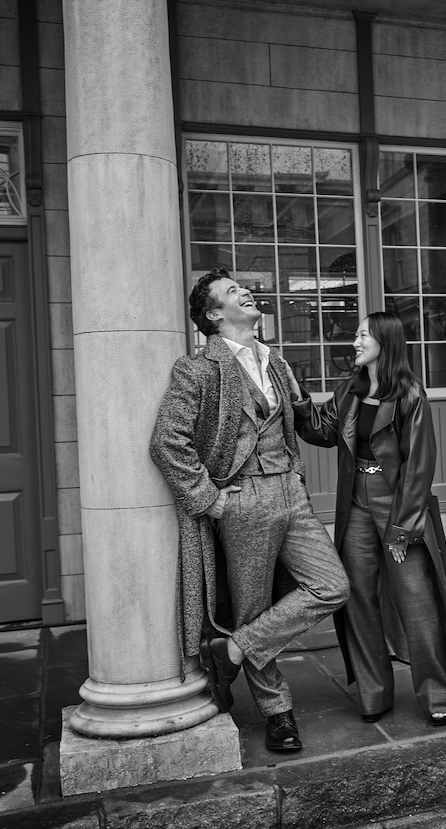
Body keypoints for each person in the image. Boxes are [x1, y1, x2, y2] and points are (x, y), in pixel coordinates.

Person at [150, 267, 349, 752]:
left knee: (332, 585)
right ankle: (277, 712)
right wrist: (211, 500)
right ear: (215, 315)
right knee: (252, 606)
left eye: (244, 287)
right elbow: (166, 442)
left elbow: (300, 422)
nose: (246, 292)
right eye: (232, 291)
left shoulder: (276, 361)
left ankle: (233, 648)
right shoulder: (196, 368)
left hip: (290, 492)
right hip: (243, 498)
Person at [292, 311, 446, 727]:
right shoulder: (350, 391)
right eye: (356, 336)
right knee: (357, 596)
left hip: (397, 503)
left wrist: (403, 527)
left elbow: (420, 466)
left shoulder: (410, 393)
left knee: (417, 600)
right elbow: (322, 433)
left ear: (384, 342)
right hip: (355, 499)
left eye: (361, 336)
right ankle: (374, 692)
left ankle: (436, 693)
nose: (354, 342)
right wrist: (299, 400)